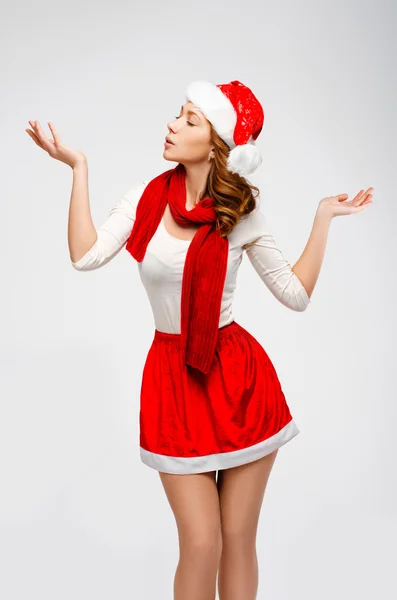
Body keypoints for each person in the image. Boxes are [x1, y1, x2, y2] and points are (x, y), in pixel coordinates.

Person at [26, 78, 373, 600]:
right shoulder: (147, 197)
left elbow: (295, 295)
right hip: (173, 379)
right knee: (201, 541)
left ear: (217, 144)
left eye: (190, 120)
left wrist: (322, 218)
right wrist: (78, 169)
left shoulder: (241, 212)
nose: (172, 124)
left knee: (236, 538)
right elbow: (85, 255)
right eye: (178, 113)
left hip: (238, 381)